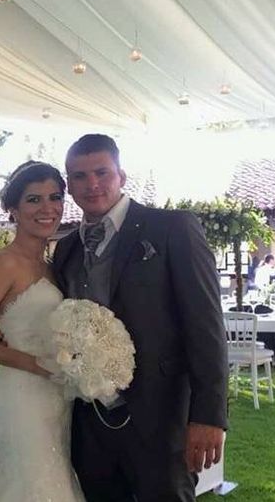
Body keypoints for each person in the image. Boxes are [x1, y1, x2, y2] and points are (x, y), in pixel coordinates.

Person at [52, 134, 228, 501]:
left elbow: (206, 324)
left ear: (122, 175)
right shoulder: (66, 249)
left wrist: (209, 415)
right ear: (69, 184)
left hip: (160, 417)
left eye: (102, 172)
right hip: (89, 420)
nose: (92, 184)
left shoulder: (171, 228)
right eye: (79, 176)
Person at [0, 160, 84, 501]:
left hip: (59, 396)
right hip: (24, 397)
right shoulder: (6, 263)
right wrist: (34, 364)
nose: (47, 208)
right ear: (13, 209)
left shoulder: (54, 264)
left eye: (54, 197)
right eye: (33, 199)